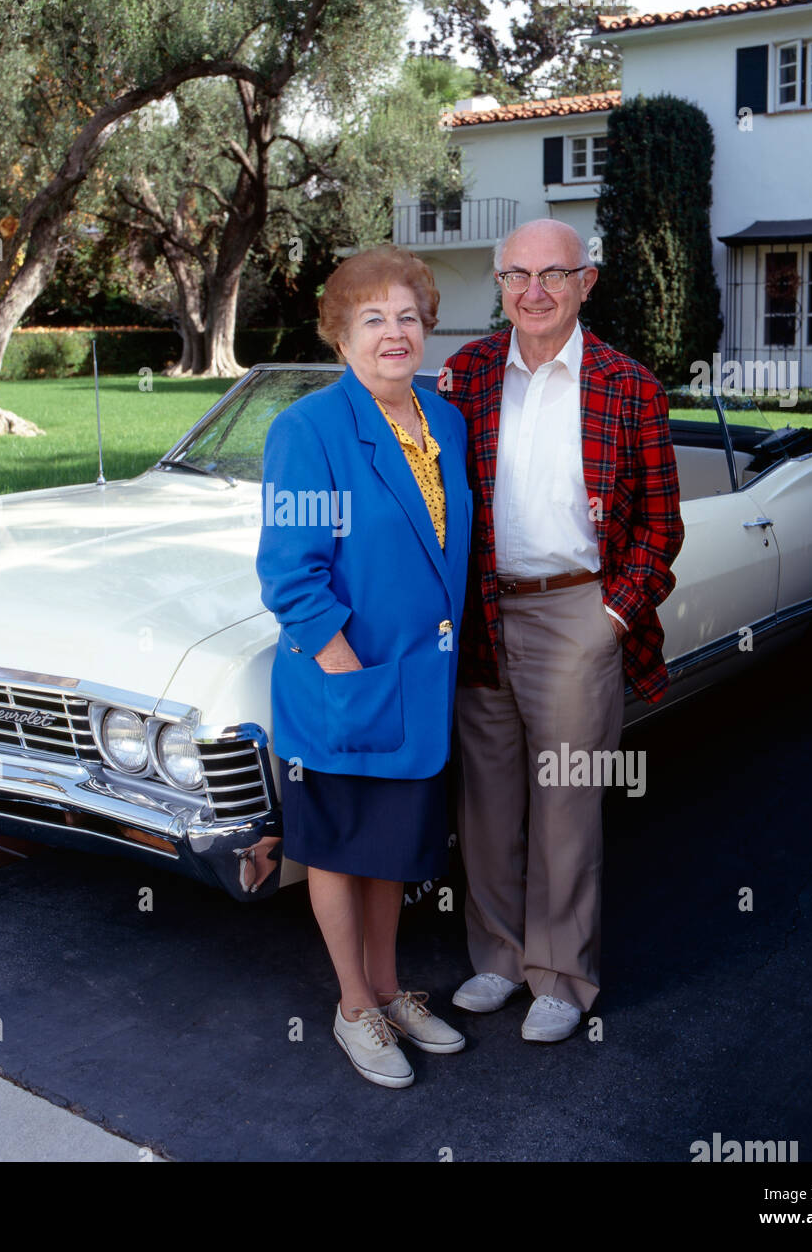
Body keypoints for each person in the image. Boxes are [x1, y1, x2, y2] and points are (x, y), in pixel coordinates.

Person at [442, 219, 684, 1042]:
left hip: (579, 610)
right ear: (499, 283)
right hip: (482, 609)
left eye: (553, 274)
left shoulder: (628, 384)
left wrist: (611, 616)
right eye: (516, 275)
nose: (533, 291)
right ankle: (497, 959)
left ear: (586, 282)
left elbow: (659, 526)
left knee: (567, 805)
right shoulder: (465, 375)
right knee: (485, 802)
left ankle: (561, 976)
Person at [256, 244, 473, 1088]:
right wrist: (348, 673)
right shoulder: (306, 430)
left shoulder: (443, 422)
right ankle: (353, 1009)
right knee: (342, 850)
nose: (394, 333)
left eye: (408, 317)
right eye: (372, 318)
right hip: (346, 686)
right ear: (339, 334)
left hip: (420, 686)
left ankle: (389, 988)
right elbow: (290, 576)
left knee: (393, 850)